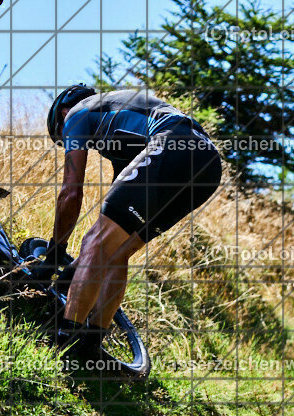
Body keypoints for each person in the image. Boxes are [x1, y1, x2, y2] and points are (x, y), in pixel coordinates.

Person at [36, 85, 222, 355]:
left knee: (94, 242)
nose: (71, 142)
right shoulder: (121, 132)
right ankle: (90, 346)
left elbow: (71, 192)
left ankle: (63, 342)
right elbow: (113, 228)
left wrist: (54, 255)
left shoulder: (77, 113)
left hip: (173, 143)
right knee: (116, 252)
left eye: (64, 139)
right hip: (208, 166)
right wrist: (76, 267)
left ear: (62, 113)